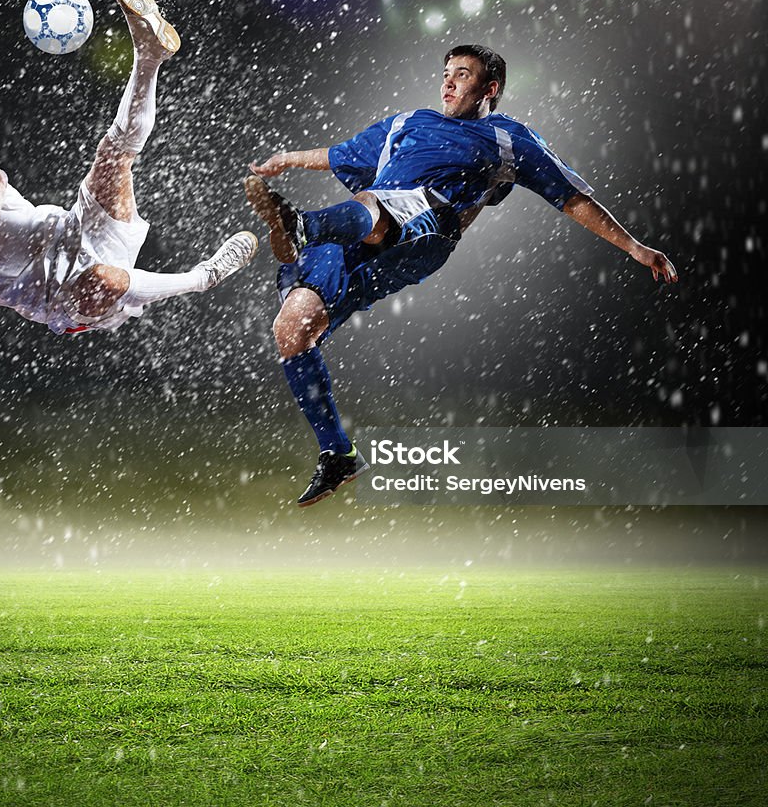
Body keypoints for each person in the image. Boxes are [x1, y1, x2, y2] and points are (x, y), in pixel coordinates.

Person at [246, 44, 678, 507]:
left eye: (463, 75)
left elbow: (569, 196)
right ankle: (338, 453)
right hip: (359, 226)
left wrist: (634, 246)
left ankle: (302, 227)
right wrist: (287, 158)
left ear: (489, 89)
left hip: (429, 226)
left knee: (379, 204)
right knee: (292, 327)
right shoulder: (407, 122)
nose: (448, 82)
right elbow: (339, 154)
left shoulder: (509, 139)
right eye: (446, 72)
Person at [0, 0, 257, 472]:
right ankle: (204, 277)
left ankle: (149, 56)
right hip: (60, 299)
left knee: (114, 155)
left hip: (75, 229)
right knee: (105, 278)